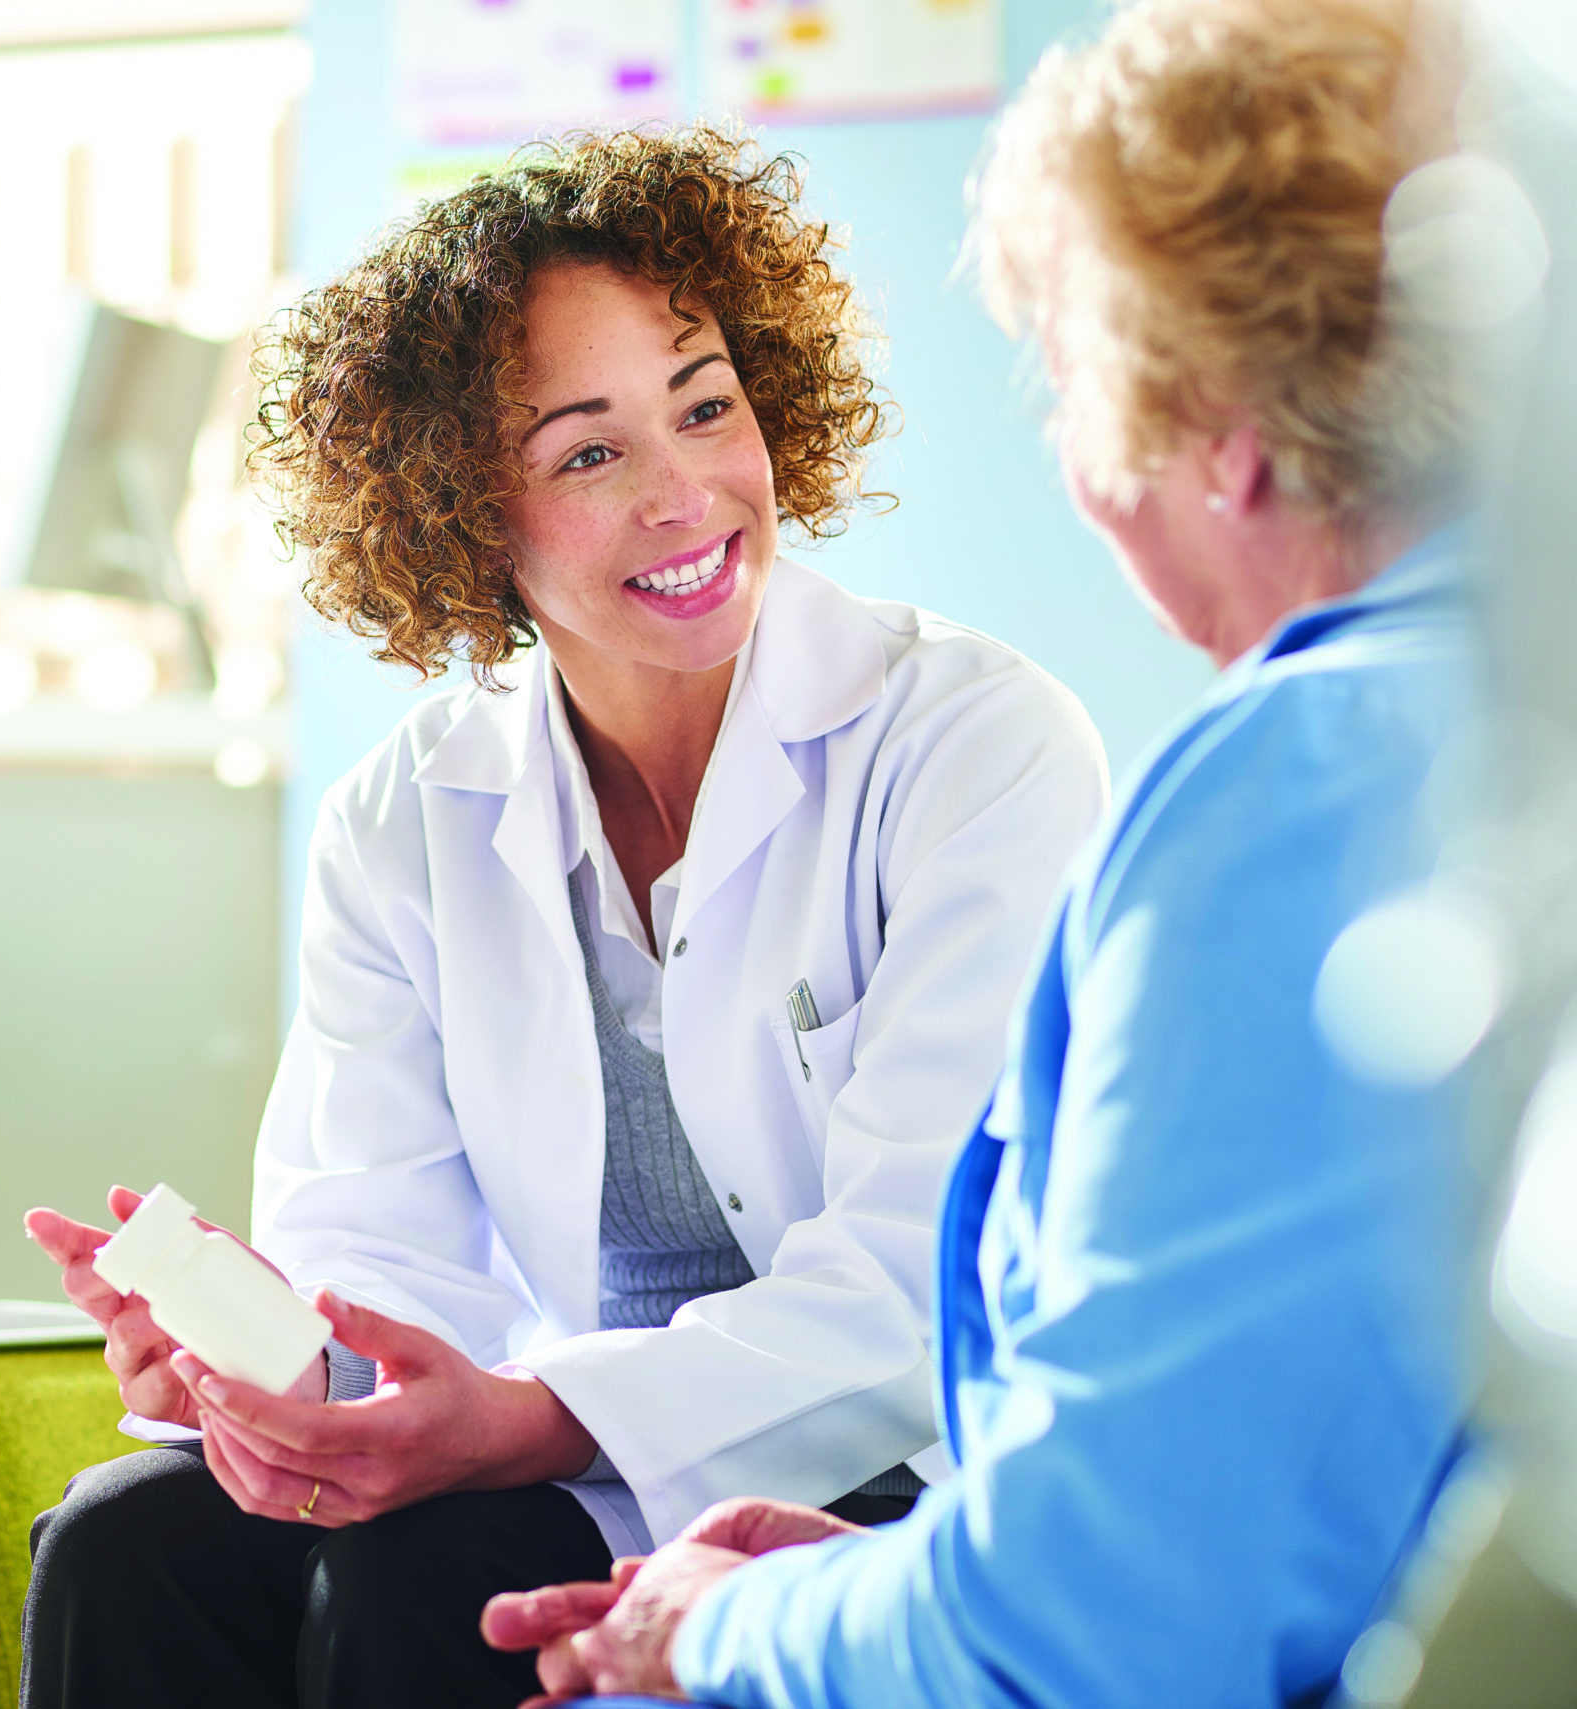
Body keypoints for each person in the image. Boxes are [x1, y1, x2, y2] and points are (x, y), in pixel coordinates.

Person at [20, 126, 1109, 1709]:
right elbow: (374, 1274)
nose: (689, 494)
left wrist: (523, 1421)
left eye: (708, 405)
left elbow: (910, 1289)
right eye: (589, 452)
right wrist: (266, 1378)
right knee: (127, 1536)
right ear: (468, 513)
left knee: (433, 1577)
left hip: (894, 1468)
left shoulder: (974, 744)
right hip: (561, 1455)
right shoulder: (405, 817)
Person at [481, 1, 1480, 1703]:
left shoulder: (1297, 786)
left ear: (1224, 437)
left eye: (1080, 383)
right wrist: (896, 1568)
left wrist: (712, 1626)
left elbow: (1091, 1629)